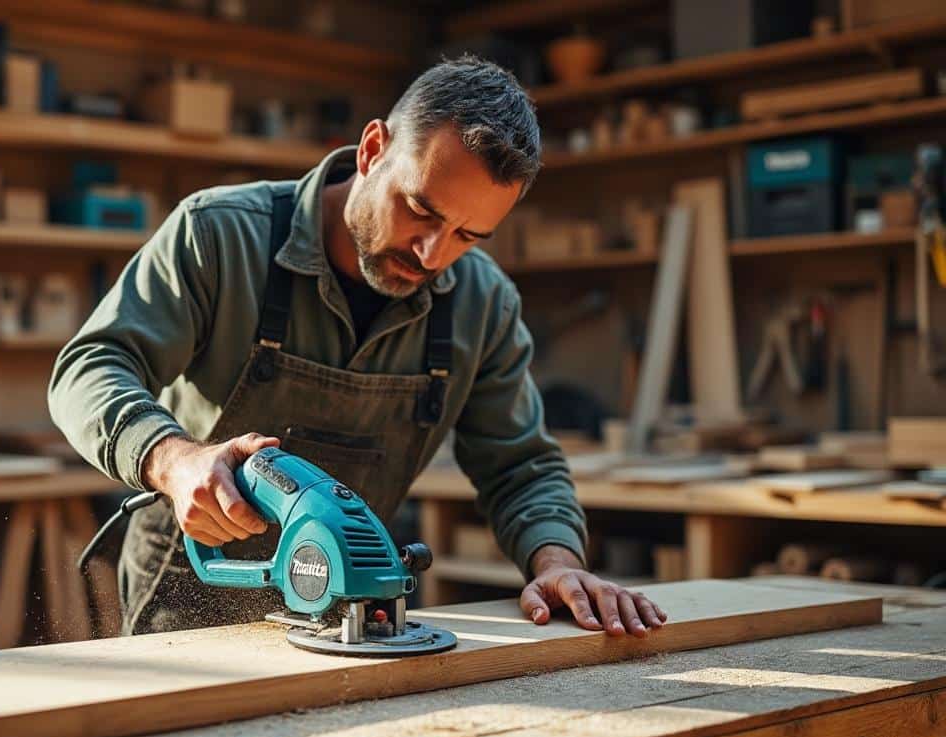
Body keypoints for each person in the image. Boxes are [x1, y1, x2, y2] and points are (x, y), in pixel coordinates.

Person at [50, 56, 667, 638]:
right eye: (420, 209)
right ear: (373, 150)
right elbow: (90, 366)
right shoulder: (219, 236)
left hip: (357, 612)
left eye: (468, 235)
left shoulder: (483, 304)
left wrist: (555, 561)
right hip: (194, 591)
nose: (433, 254)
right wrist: (175, 460)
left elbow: (520, 466)